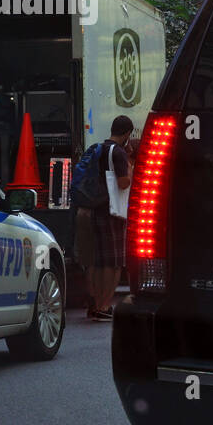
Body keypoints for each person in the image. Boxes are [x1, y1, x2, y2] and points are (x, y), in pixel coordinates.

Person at [78, 115, 133, 321]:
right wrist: (130, 166)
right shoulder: (118, 153)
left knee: (99, 262)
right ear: (127, 133)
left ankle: (95, 305)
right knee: (115, 262)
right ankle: (105, 305)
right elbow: (123, 183)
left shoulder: (98, 149)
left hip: (95, 209)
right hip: (113, 212)